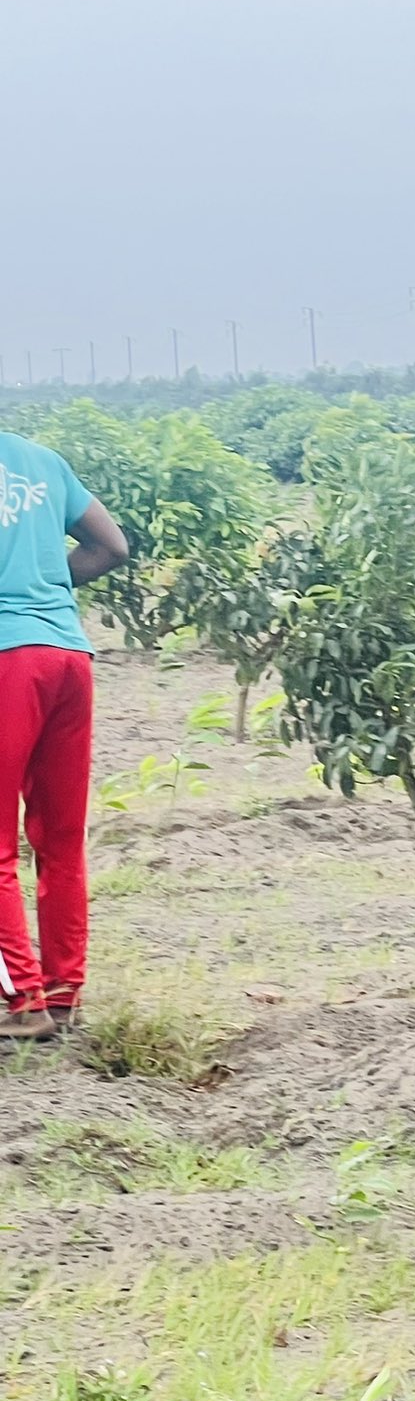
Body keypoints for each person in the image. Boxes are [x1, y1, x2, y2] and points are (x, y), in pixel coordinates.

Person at [0, 430, 129, 1042]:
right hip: (67, 657)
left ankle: (20, 999)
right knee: (60, 838)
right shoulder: (43, 461)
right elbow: (112, 547)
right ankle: (62, 996)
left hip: (5, 663)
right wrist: (47, 585)